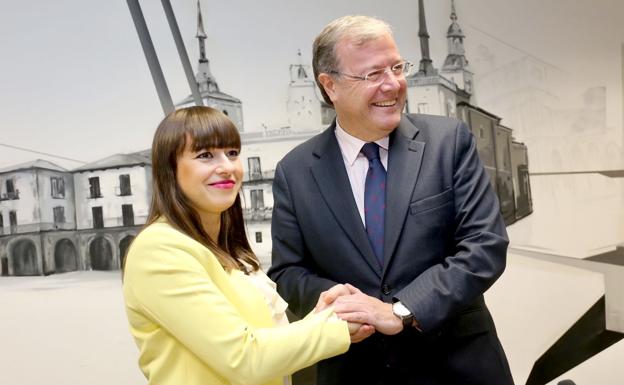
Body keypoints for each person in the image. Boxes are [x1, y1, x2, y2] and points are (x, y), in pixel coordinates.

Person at [268, 15, 514, 385]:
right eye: (373, 74)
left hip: (457, 367)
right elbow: (288, 272)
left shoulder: (449, 143)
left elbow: (484, 247)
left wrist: (400, 310)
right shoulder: (295, 171)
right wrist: (351, 307)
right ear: (329, 85)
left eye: (397, 68)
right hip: (354, 371)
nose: (393, 85)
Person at [122, 106, 365, 385]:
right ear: (170, 170)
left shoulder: (228, 249)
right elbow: (244, 358)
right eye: (205, 155)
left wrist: (318, 318)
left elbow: (266, 340)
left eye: (232, 153)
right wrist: (336, 328)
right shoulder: (159, 250)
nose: (227, 167)